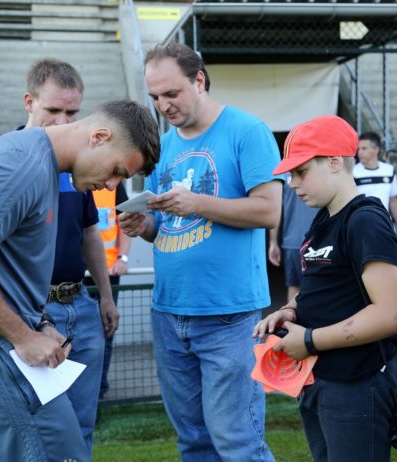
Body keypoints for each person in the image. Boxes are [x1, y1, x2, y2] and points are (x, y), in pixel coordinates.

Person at [0, 100, 160, 461]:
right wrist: (24, 336)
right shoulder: (23, 165)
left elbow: (2, 267)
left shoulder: (34, 160)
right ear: (99, 137)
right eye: (116, 171)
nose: (111, 185)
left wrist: (40, 323)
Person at [119, 41, 281, 461]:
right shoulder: (163, 145)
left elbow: (269, 211)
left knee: (239, 444)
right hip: (168, 312)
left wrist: (197, 204)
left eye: (171, 93)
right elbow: (167, 227)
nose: (163, 105)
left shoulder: (247, 131)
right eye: (155, 97)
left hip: (228, 314)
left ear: (200, 80)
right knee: (193, 442)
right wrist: (143, 225)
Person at [253, 115, 397, 462]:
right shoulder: (324, 217)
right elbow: (324, 286)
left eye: (301, 172)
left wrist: (310, 340)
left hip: (356, 382)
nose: (292, 183)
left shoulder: (365, 220)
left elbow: (392, 314)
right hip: (320, 377)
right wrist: (290, 310)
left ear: (335, 161)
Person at [21, 58, 121, 451]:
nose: (64, 122)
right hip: (32, 313)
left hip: (81, 303)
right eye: (54, 110)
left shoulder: (75, 164)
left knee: (82, 427)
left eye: (73, 113)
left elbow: (89, 232)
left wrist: (105, 296)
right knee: (37, 429)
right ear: (29, 102)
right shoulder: (9, 159)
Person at [87, 183, 131, 400]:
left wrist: (123, 258)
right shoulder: (69, 181)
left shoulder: (113, 186)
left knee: (107, 329)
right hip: (77, 273)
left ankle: (99, 391)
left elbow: (126, 221)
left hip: (108, 271)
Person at [353, 132, 397, 246]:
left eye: (364, 148)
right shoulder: (353, 172)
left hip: (385, 226)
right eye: (359, 149)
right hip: (361, 228)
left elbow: (393, 200)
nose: (359, 152)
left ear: (376, 150)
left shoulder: (389, 170)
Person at [268, 181, 317, 302]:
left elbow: (275, 208)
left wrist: (273, 242)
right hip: (317, 241)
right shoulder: (323, 171)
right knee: (318, 290)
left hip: (292, 242)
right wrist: (273, 242)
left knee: (294, 287)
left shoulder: (282, 176)